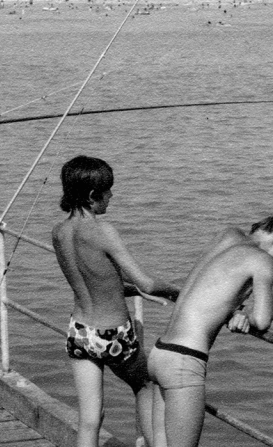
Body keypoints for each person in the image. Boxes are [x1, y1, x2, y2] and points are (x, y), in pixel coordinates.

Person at [52, 155, 179, 447]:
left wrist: (132, 291)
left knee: (90, 419)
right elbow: (146, 281)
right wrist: (176, 292)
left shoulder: (59, 232)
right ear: (93, 196)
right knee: (145, 385)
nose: (112, 195)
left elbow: (91, 282)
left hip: (79, 332)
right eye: (108, 190)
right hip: (113, 335)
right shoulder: (103, 231)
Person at [148, 215, 273, 447]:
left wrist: (234, 312)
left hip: (161, 352)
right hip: (184, 361)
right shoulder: (263, 259)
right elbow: (262, 320)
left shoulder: (228, 236)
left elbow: (213, 287)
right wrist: (246, 317)